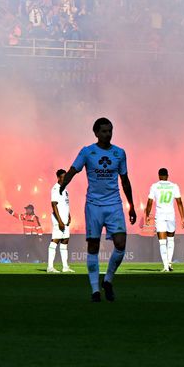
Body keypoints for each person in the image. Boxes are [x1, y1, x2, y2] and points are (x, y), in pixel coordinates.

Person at [60, 117, 137, 302]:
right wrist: (62, 186)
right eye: (103, 131)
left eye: (110, 131)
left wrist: (131, 205)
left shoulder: (119, 153)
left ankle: (108, 281)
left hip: (114, 204)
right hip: (94, 205)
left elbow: (125, 180)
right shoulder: (87, 152)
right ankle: (95, 290)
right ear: (95, 133)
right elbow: (72, 170)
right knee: (93, 246)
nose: (107, 134)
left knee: (120, 244)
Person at [144, 168, 184, 272]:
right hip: (171, 216)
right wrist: (182, 218)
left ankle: (166, 266)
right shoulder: (174, 186)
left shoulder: (155, 186)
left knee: (162, 242)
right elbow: (179, 202)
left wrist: (147, 215)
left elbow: (149, 202)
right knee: (171, 240)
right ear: (167, 175)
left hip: (160, 216)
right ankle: (169, 264)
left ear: (159, 176)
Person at [47, 169, 73, 273]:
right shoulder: (55, 189)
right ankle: (50, 267)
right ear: (58, 178)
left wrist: (69, 215)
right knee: (55, 241)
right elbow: (54, 205)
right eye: (63, 177)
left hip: (65, 219)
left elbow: (65, 204)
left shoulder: (65, 190)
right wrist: (60, 221)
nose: (65, 179)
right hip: (58, 220)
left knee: (65, 241)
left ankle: (65, 267)